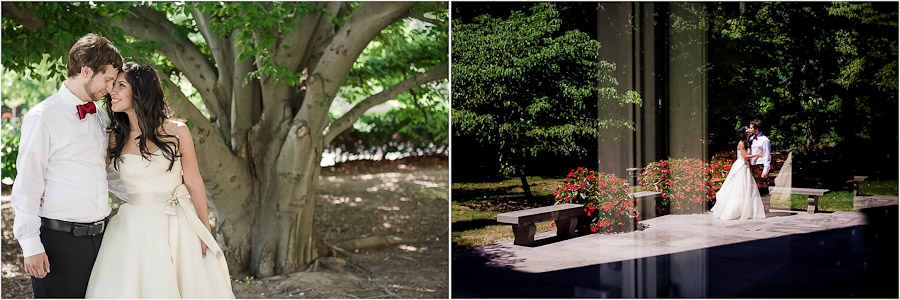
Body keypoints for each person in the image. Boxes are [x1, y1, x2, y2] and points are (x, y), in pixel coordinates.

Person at [84, 62, 234, 298]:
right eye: (113, 84)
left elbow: (194, 181)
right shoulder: (115, 138)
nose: (112, 90)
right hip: (134, 230)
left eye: (120, 85)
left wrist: (205, 229)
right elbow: (92, 177)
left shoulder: (177, 131)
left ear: (141, 90)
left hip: (180, 223)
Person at [10, 34, 123, 298]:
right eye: (107, 79)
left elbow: (106, 171)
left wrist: (152, 196)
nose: (110, 87)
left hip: (102, 238)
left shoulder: (100, 116)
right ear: (86, 71)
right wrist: (30, 244)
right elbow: (28, 183)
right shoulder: (43, 117)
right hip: (58, 242)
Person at [710, 126, 767, 220]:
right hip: (741, 166)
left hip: (746, 166)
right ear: (744, 132)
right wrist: (756, 155)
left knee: (747, 188)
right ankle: (735, 209)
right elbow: (745, 156)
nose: (749, 129)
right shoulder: (741, 143)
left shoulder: (748, 141)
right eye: (747, 128)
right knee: (739, 187)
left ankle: (746, 210)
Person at [748, 119, 772, 193]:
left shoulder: (765, 140)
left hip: (759, 166)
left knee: (760, 191)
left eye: (751, 128)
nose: (750, 129)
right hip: (752, 166)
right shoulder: (751, 138)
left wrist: (765, 170)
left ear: (756, 129)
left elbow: (767, 155)